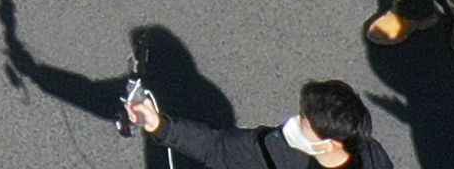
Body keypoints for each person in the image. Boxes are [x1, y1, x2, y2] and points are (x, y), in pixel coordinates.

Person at [123, 73, 396, 169]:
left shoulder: (373, 158)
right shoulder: (268, 149)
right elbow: (215, 147)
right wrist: (159, 126)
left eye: (305, 122)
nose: (293, 122)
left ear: (332, 143)